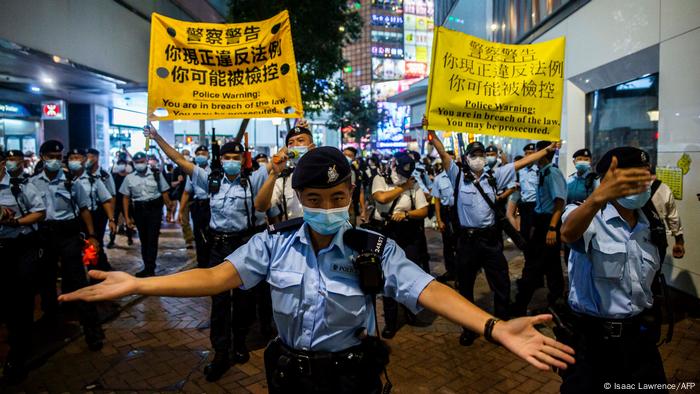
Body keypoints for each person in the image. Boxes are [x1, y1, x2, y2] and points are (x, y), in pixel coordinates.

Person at [59, 146, 575, 393]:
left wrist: (492, 325)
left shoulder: (373, 248)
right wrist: (142, 283)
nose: (327, 205)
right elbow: (218, 277)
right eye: (315, 197)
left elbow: (428, 291)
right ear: (299, 199)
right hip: (288, 376)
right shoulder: (274, 243)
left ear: (351, 196)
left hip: (354, 379)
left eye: (337, 196)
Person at [145, 124, 275, 382]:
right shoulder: (209, 179)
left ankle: (239, 342)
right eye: (226, 158)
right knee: (219, 302)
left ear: (243, 160)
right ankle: (220, 352)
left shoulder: (253, 179)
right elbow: (179, 159)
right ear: (220, 159)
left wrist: (298, 129)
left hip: (244, 246)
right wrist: (157, 137)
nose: (231, 162)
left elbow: (281, 159)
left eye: (236, 158)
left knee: (243, 300)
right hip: (218, 246)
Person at [427, 119, 557, 346]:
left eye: (481, 154)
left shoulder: (494, 176)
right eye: (474, 154)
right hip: (467, 241)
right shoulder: (457, 176)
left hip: (490, 240)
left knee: (501, 283)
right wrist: (431, 131)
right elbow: (442, 153)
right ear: (467, 158)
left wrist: (547, 150)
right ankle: (468, 328)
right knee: (465, 286)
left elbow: (522, 163)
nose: (478, 158)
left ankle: (502, 324)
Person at [558, 147, 664, 393]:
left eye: (645, 176)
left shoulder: (651, 224)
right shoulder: (585, 213)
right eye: (630, 178)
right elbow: (568, 233)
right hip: (593, 345)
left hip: (639, 341)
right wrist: (597, 199)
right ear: (607, 181)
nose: (640, 184)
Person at [30, 140, 105, 351]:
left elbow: (84, 209)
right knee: (46, 281)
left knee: (79, 281)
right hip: (45, 235)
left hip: (68, 234)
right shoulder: (33, 182)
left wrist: (92, 235)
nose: (55, 160)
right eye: (51, 156)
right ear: (42, 157)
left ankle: (93, 331)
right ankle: (52, 325)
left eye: (58, 156)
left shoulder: (71, 182)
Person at [371, 151, 429, 338]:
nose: (405, 175)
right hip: (385, 231)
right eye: (402, 170)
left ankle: (411, 312)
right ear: (394, 165)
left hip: (406, 233)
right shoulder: (381, 179)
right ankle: (390, 321)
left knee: (409, 274)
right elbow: (381, 198)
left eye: (408, 172)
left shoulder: (414, 183)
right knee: (387, 276)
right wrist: (403, 186)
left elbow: (423, 210)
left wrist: (407, 214)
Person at [0, 150, 46, 383]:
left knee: (20, 301)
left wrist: (14, 221)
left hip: (19, 248)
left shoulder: (21, 186)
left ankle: (18, 356)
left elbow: (39, 212)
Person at [512, 141, 567, 316]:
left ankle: (521, 305)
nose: (534, 154)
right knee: (550, 264)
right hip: (540, 221)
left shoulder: (552, 173)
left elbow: (559, 202)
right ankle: (556, 300)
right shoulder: (542, 172)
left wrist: (552, 228)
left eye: (536, 151)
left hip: (548, 223)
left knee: (534, 266)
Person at [119, 151, 173, 277]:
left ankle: (150, 267)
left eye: (142, 162)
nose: (139, 164)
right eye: (137, 162)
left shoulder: (156, 175)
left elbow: (164, 192)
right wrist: (127, 217)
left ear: (146, 160)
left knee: (152, 239)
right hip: (139, 210)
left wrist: (169, 210)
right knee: (144, 239)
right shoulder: (129, 178)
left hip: (154, 209)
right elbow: (125, 198)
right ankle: (147, 266)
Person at [68, 148, 117, 272]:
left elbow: (106, 199)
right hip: (73, 219)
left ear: (84, 159)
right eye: (71, 159)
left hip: (94, 217)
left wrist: (111, 219)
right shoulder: (65, 179)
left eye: (77, 158)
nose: (74, 161)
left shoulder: (93, 179)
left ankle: (95, 272)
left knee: (93, 246)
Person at [255, 121, 314, 221]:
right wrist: (274, 173)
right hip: (293, 234)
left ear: (312, 147)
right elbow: (260, 207)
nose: (295, 145)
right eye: (290, 143)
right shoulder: (284, 180)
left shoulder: (323, 173)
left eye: (300, 140)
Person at [181, 145, 212, 267]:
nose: (201, 156)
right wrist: (181, 211)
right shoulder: (192, 172)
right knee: (198, 235)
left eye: (203, 153)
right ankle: (201, 263)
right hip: (198, 206)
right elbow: (186, 192)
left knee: (211, 234)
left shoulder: (215, 170)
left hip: (211, 205)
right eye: (198, 153)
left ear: (208, 155)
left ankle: (212, 262)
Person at [431, 154, 457, 282]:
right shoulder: (438, 179)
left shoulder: (461, 177)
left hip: (459, 212)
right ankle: (451, 271)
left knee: (460, 244)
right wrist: (439, 220)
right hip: (446, 212)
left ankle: (462, 273)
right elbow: (437, 200)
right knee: (447, 244)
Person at [650, 177, 685, 259]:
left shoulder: (620, 186)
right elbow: (673, 217)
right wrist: (679, 241)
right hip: (656, 238)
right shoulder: (662, 188)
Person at [108, 158, 133, 248]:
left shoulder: (129, 176)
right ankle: (111, 240)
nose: (121, 165)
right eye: (120, 163)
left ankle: (129, 238)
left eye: (123, 163)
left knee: (128, 220)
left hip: (126, 202)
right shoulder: (114, 176)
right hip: (116, 202)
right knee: (113, 220)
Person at [343, 146, 367, 225]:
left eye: (350, 156)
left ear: (354, 158)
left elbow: (361, 191)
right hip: (337, 208)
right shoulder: (334, 170)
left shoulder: (357, 172)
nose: (346, 157)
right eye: (344, 155)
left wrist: (363, 210)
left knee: (350, 233)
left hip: (351, 208)